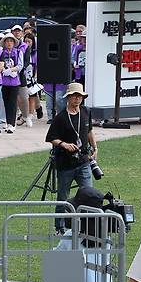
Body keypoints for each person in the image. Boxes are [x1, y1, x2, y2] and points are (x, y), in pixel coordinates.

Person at [45, 82, 97, 230]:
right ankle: (60, 227)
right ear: (68, 98)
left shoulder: (86, 112)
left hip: (84, 161)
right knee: (63, 197)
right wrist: (63, 144)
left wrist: (95, 147)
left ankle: (88, 227)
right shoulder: (61, 117)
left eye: (80, 96)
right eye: (74, 96)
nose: (77, 99)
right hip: (65, 164)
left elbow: (89, 131)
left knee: (89, 194)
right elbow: (51, 137)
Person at [0, 33, 24, 134]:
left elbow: (20, 65)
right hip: (4, 81)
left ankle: (12, 124)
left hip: (14, 81)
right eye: (7, 41)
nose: (9, 43)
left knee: (12, 103)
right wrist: (4, 70)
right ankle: (7, 121)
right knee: (6, 102)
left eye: (11, 41)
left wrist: (12, 70)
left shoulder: (18, 52)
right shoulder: (1, 53)